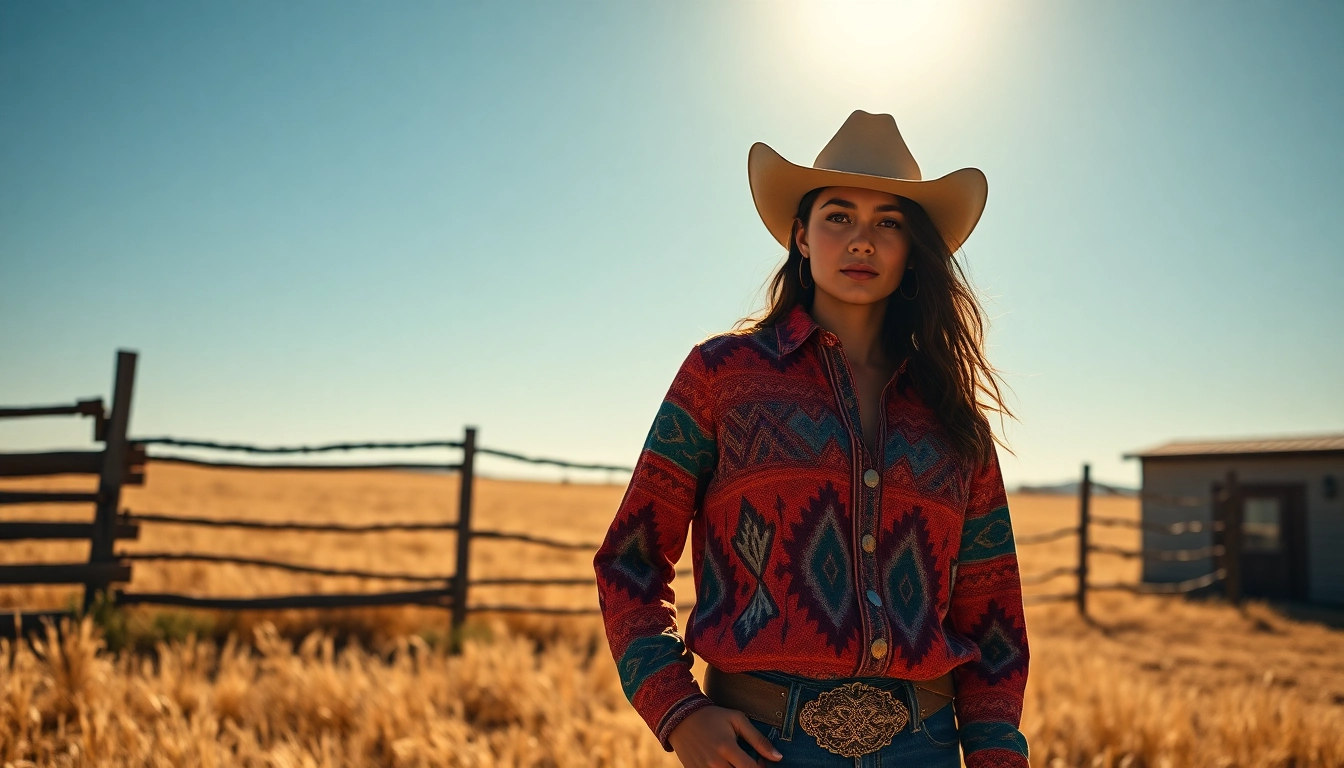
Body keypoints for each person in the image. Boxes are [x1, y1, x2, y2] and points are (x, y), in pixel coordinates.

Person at [594, 110, 1029, 768]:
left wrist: (999, 755)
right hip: (764, 746)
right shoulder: (721, 379)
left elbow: (992, 617)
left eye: (889, 223)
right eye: (838, 216)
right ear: (800, 236)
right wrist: (678, 711)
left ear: (913, 249)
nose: (862, 241)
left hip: (927, 748)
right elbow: (629, 563)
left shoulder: (951, 419)